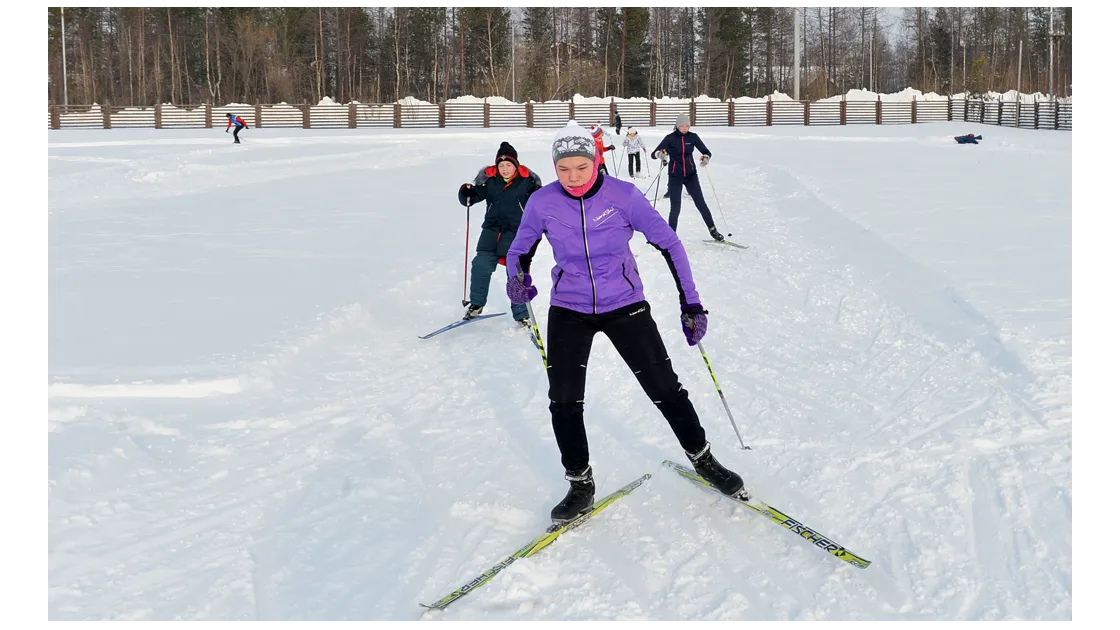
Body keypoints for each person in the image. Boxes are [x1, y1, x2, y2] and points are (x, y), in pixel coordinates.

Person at [503, 120, 745, 526]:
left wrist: (692, 303)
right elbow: (519, 250)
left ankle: (703, 459)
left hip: (624, 303)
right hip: (569, 307)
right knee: (563, 400)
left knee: (665, 388)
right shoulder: (542, 202)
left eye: (581, 166)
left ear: (596, 160)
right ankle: (580, 483)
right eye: (564, 169)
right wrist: (517, 278)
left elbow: (669, 243)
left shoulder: (623, 196)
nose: (573, 177)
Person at [458, 141, 542, 327]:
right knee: (480, 265)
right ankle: (477, 304)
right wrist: (465, 193)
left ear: (515, 165)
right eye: (501, 165)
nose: (505, 169)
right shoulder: (490, 182)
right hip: (492, 229)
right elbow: (472, 198)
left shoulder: (527, 182)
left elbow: (540, 202)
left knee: (515, 271)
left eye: (508, 165)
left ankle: (521, 313)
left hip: (515, 230)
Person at [651, 113, 724, 242]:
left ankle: (713, 230)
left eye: (687, 126)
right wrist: (660, 154)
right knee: (675, 207)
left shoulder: (693, 137)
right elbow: (654, 153)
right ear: (677, 126)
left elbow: (706, 151)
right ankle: (671, 235)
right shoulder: (670, 138)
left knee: (701, 203)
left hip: (691, 175)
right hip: (675, 176)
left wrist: (706, 158)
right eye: (682, 126)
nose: (685, 128)